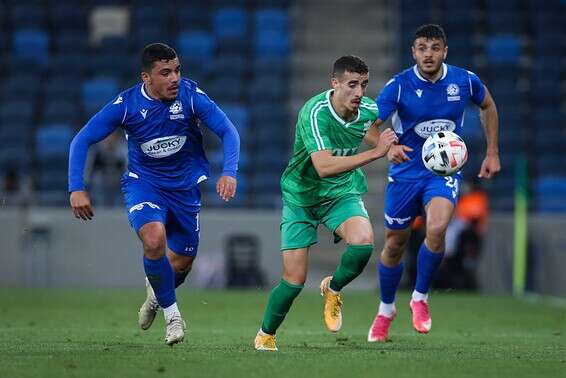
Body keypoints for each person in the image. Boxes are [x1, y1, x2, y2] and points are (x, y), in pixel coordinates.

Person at [68, 43, 240, 346]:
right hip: (143, 184)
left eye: (177, 70)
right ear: (146, 78)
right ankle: (173, 317)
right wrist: (76, 187)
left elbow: (228, 130)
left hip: (185, 189)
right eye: (165, 73)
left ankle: (155, 298)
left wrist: (229, 171)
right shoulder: (126, 105)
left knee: (182, 264)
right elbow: (81, 140)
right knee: (154, 239)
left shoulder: (190, 95)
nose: (174, 78)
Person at [253, 55, 399, 351]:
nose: (360, 92)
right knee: (294, 280)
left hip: (340, 193)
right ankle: (266, 334)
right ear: (335, 83)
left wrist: (391, 148)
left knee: (363, 242)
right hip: (301, 197)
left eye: (364, 85)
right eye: (352, 84)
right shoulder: (314, 113)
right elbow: (323, 166)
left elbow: (368, 131)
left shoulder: (367, 108)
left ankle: (333, 289)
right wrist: (377, 154)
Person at [366, 24, 500, 342]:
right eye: (422, 48)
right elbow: (367, 126)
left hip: (442, 172)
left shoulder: (464, 80)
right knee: (394, 245)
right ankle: (386, 309)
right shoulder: (398, 86)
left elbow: (489, 106)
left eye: (435, 47)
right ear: (414, 52)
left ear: (445, 52)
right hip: (404, 175)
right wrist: (388, 147)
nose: (428, 54)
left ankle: (420, 297)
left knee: (437, 228)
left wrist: (492, 151)